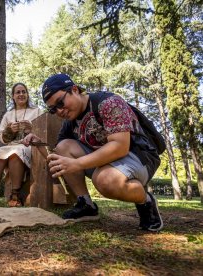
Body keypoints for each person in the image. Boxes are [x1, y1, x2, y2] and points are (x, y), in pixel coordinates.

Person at [23, 73, 163, 232]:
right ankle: (86, 204)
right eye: (53, 109)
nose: (59, 111)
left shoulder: (108, 102)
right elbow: (58, 158)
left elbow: (120, 146)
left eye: (60, 103)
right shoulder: (69, 123)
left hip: (139, 156)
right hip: (107, 162)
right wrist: (38, 144)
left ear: (74, 89)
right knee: (63, 147)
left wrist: (77, 163)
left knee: (104, 180)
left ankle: (146, 201)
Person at [0, 83, 43, 207]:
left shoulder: (37, 111)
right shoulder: (8, 114)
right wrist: (9, 130)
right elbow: (2, 136)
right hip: (11, 145)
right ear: (13, 96)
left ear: (27, 94)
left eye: (24, 92)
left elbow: (44, 130)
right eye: (18, 92)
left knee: (15, 153)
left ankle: (15, 196)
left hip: (30, 146)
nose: (21, 94)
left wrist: (31, 128)